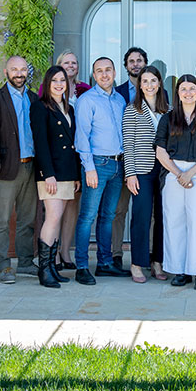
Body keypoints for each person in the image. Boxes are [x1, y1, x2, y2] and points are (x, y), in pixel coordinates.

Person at [155, 75, 196, 291]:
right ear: (178, 93)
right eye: (184, 89)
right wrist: (178, 173)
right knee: (174, 221)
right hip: (172, 173)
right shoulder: (167, 119)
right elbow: (160, 152)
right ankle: (179, 270)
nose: (188, 92)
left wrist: (189, 173)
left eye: (192, 88)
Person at [0, 56, 40, 284]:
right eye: (14, 69)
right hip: (6, 167)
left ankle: (25, 262)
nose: (19, 73)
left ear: (28, 72)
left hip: (31, 166)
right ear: (6, 72)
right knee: (2, 220)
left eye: (23, 69)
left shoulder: (35, 99)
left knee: (28, 218)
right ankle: (4, 265)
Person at [74, 56, 128, 285]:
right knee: (87, 217)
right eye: (99, 71)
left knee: (108, 216)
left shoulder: (119, 100)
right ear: (94, 75)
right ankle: (82, 266)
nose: (104, 74)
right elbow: (82, 136)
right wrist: (89, 168)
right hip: (97, 164)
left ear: (115, 73)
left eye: (108, 70)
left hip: (117, 164)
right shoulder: (86, 100)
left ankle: (105, 263)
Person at [30, 66, 81, 289]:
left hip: (66, 171)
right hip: (51, 173)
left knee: (57, 218)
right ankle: (44, 270)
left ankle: (52, 267)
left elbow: (73, 145)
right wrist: (47, 174)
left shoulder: (68, 107)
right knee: (53, 217)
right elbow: (40, 143)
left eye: (63, 80)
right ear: (47, 83)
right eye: (55, 81)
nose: (60, 84)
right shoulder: (40, 107)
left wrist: (76, 174)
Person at [122, 64, 170, 283]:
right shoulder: (132, 109)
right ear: (139, 85)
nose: (149, 85)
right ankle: (137, 263)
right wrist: (129, 174)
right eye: (145, 81)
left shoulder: (168, 110)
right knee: (141, 217)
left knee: (162, 217)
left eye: (153, 81)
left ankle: (157, 261)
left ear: (159, 83)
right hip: (141, 171)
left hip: (164, 171)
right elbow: (128, 144)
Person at [47, 50, 89, 271]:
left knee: (73, 205)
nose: (70, 66)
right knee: (56, 208)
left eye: (74, 62)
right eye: (66, 63)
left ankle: (65, 251)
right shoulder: (49, 92)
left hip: (80, 156)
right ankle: (51, 255)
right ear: (58, 65)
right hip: (57, 158)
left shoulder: (85, 90)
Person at [110, 46, 148, 271]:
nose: (135, 64)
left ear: (145, 63)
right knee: (119, 210)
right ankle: (116, 254)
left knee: (147, 212)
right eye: (131, 61)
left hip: (147, 162)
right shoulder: (118, 93)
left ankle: (148, 255)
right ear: (126, 66)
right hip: (122, 160)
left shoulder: (157, 91)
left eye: (139, 60)